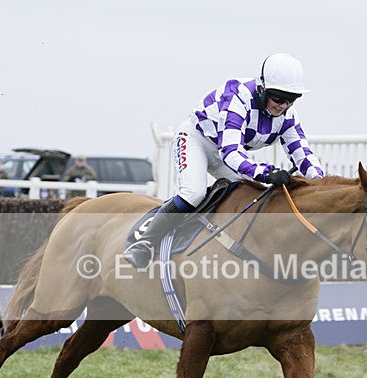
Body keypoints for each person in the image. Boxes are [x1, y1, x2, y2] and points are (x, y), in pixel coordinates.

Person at [123, 53, 325, 268]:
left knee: (248, 195)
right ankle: (143, 242)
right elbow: (230, 152)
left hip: (224, 153)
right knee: (194, 193)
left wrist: (321, 186)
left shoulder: (288, 116)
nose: (283, 105)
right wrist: (266, 173)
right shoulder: (238, 97)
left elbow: (303, 153)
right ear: (262, 88)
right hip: (197, 141)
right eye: (277, 96)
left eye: (291, 98)